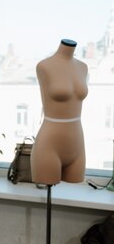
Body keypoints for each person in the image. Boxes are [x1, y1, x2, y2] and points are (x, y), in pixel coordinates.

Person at [31, 39, 88, 185]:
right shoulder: (44, 66)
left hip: (77, 143)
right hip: (49, 144)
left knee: (76, 182)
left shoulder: (83, 67)